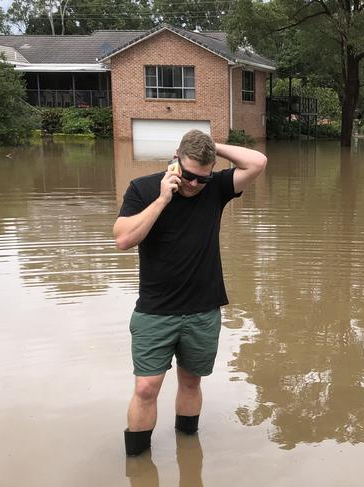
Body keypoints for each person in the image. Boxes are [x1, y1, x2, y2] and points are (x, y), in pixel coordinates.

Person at [113, 129, 267, 456]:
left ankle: (188, 453)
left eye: (203, 178)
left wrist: (213, 147)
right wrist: (162, 199)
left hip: (202, 310)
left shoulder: (216, 189)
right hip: (155, 311)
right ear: (175, 162)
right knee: (145, 387)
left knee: (191, 382)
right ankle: (137, 462)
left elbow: (257, 162)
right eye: (188, 176)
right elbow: (123, 239)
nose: (195, 185)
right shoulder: (142, 189)